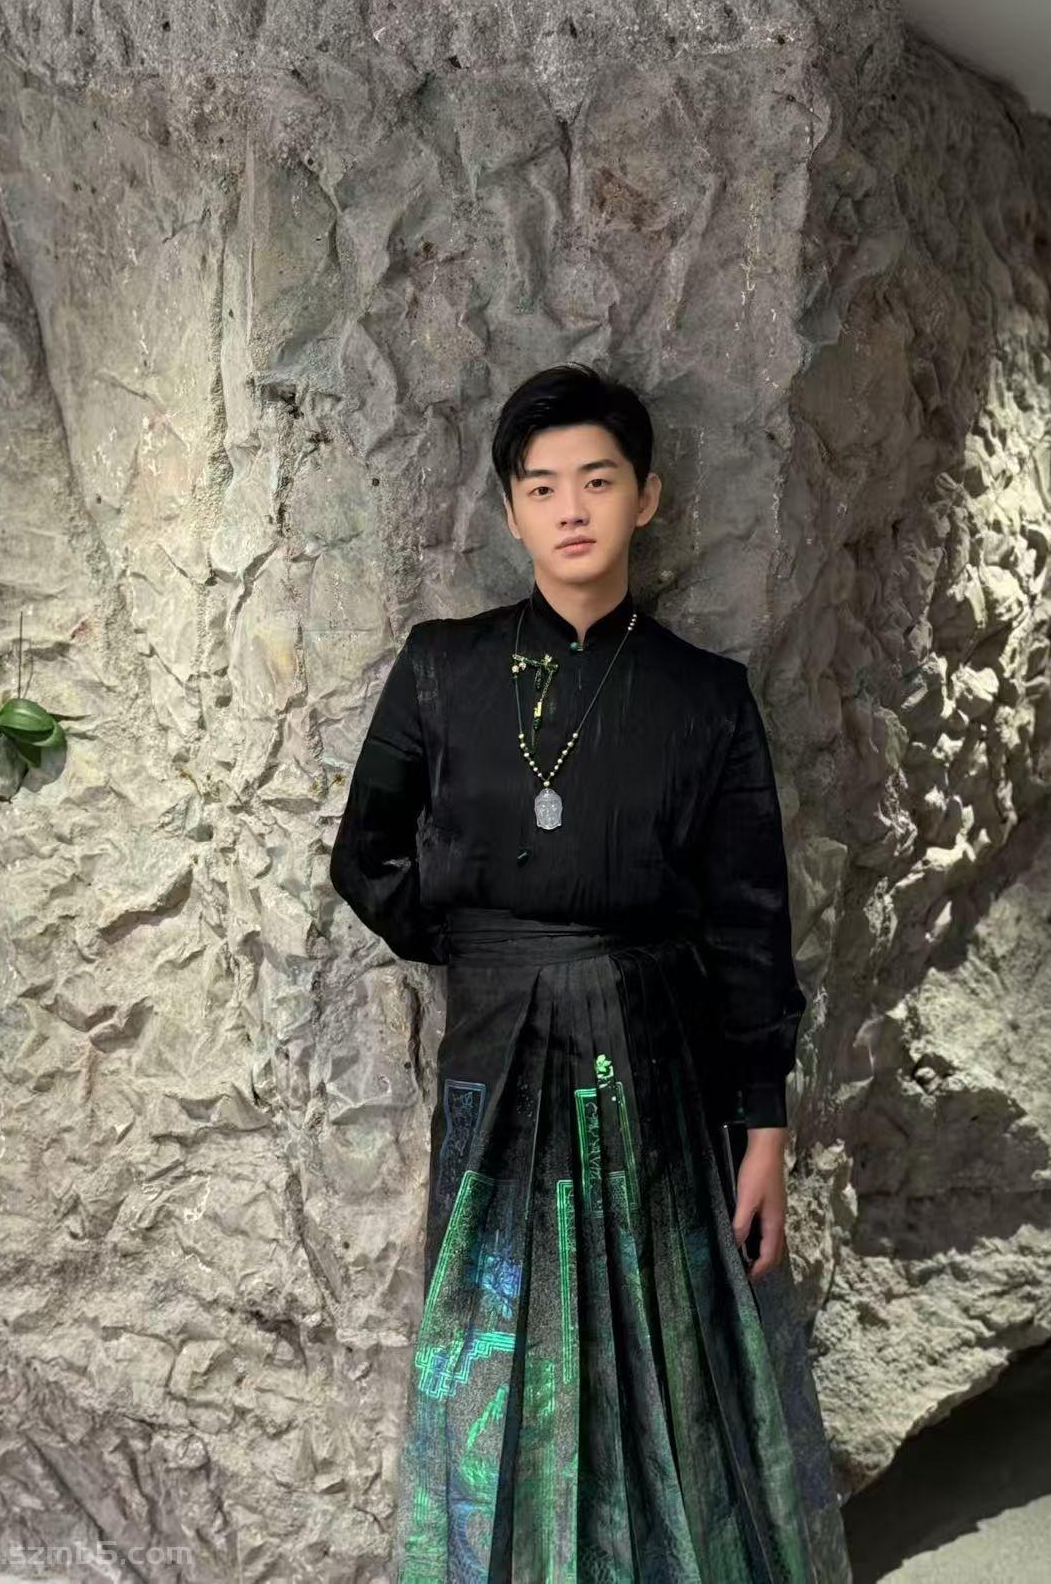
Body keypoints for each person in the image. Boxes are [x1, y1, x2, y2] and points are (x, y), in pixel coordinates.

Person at [330, 363, 851, 1582]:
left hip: (659, 1061)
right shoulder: (440, 667)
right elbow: (363, 855)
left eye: (598, 481)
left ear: (646, 498)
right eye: (542, 486)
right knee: (492, 1334)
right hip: (495, 1047)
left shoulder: (705, 696)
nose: (571, 508)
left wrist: (764, 1124)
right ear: (510, 511)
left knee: (668, 1333)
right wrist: (480, 942)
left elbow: (749, 923)